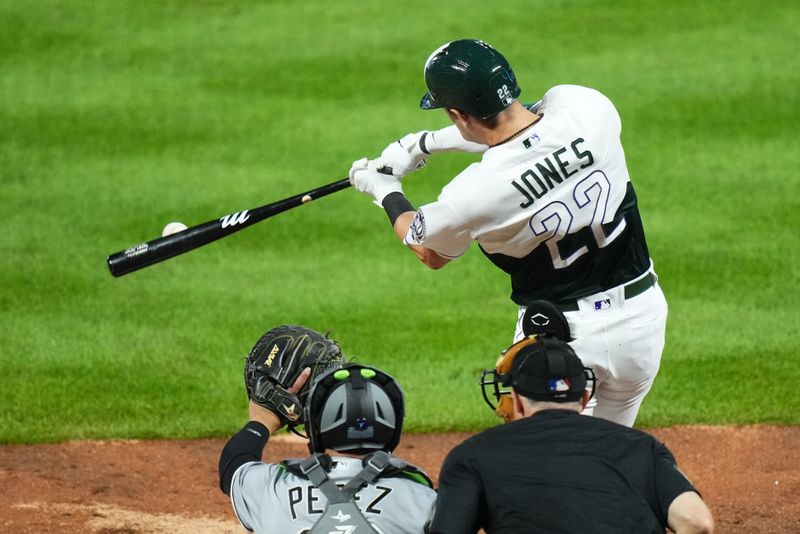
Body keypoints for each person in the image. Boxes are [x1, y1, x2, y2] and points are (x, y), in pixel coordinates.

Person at [348, 38, 668, 427]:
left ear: (455, 113)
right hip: (641, 322)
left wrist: (384, 190)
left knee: (535, 461)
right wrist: (424, 144)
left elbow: (427, 249)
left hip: (560, 342)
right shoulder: (588, 107)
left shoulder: (473, 194)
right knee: (610, 452)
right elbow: (528, 120)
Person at [429, 335, 714, 534]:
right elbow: (697, 522)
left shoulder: (472, 456)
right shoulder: (641, 448)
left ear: (516, 399)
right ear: (584, 397)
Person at [219, 327, 436, 534]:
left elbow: (234, 467)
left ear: (317, 427)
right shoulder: (422, 500)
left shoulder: (274, 488)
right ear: (393, 427)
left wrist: (263, 418)